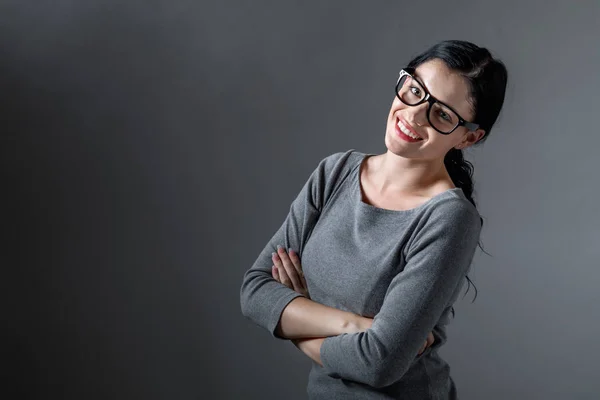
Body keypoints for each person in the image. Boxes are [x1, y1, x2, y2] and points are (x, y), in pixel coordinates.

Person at [240, 40, 508, 399]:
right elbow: (255, 291)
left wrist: (295, 317)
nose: (413, 115)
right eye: (415, 90)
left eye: (442, 114)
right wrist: (355, 326)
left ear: (469, 137)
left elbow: (377, 364)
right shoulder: (335, 172)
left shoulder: (450, 219)